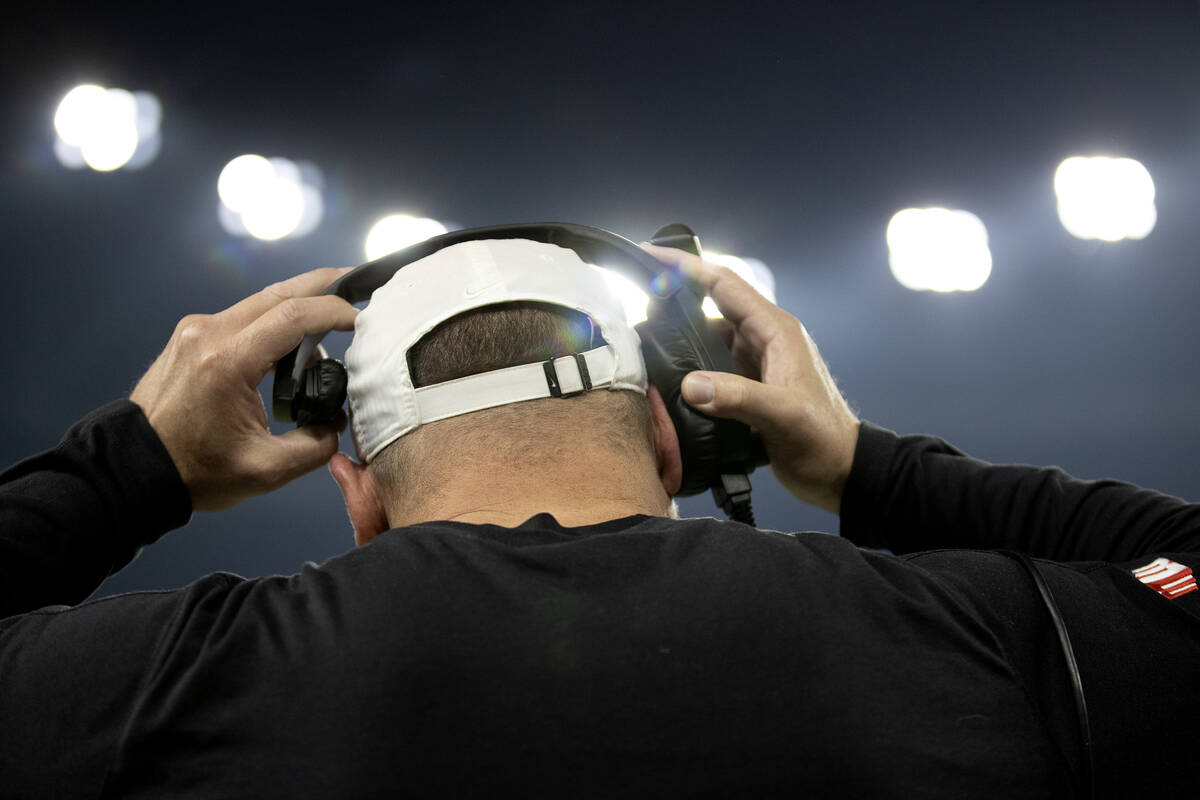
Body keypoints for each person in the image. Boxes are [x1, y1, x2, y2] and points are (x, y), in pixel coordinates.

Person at [0, 240, 1196, 798]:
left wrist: (122, 470)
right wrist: (876, 469)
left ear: (355, 486)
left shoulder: (169, 686)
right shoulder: (970, 638)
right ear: (678, 437)